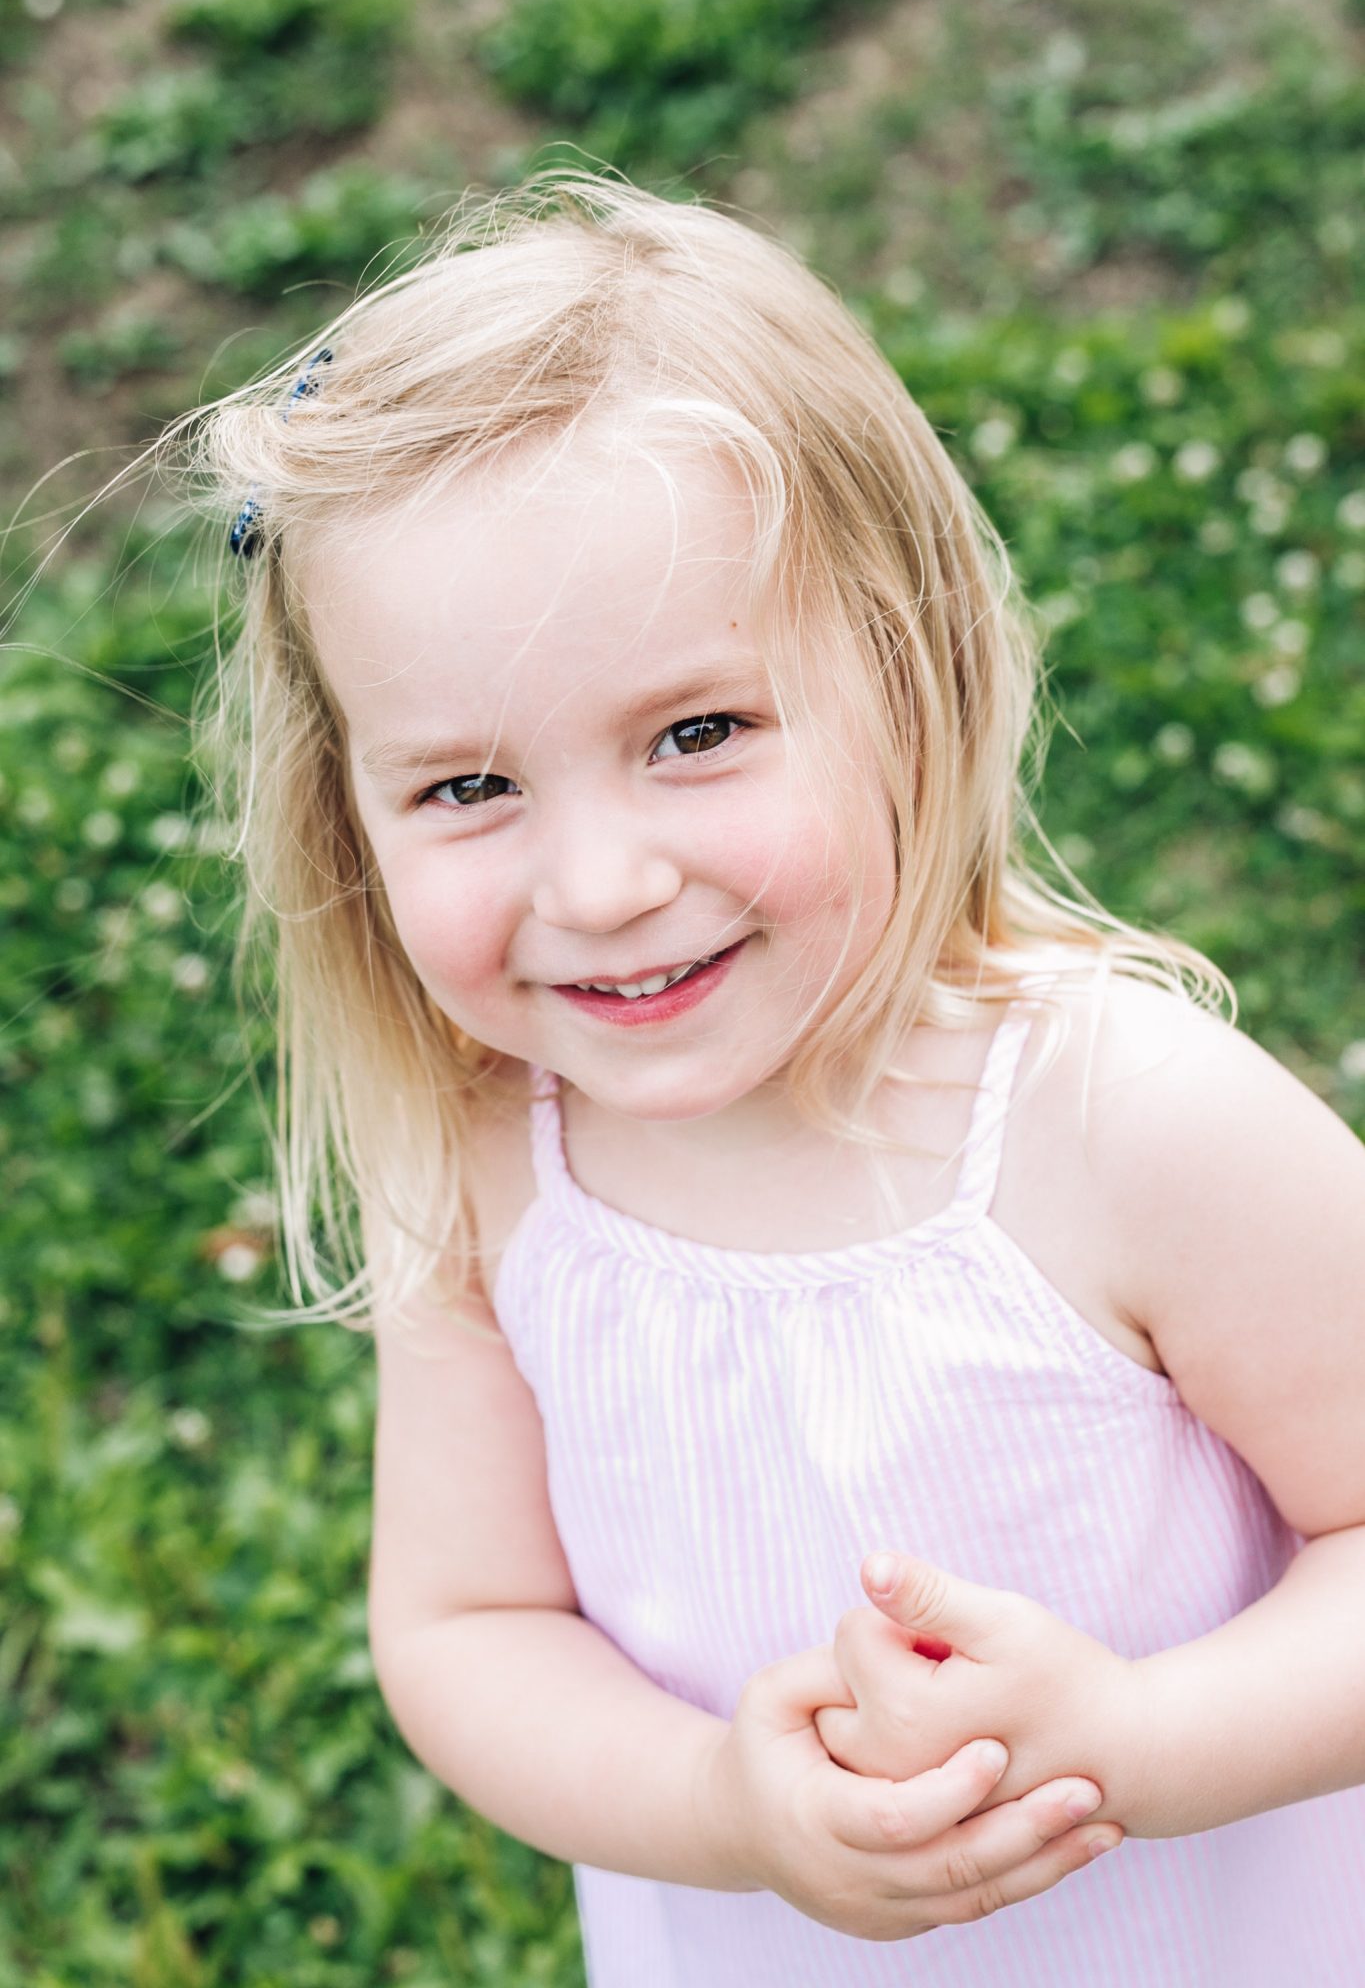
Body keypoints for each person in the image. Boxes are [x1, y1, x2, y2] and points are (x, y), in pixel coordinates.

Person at [156, 170, 1365, 1983]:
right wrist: (727, 1809)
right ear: (349, 814)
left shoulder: (1128, 1124)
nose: (598, 885)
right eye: (468, 786)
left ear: (907, 672)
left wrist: (1136, 1741)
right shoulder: (494, 1168)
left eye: (696, 733)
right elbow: (469, 1628)